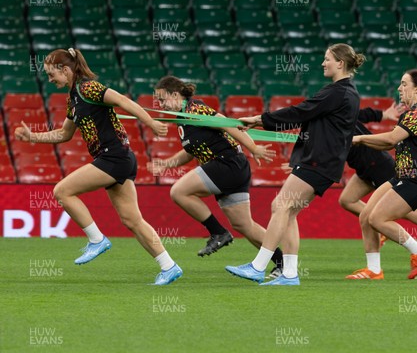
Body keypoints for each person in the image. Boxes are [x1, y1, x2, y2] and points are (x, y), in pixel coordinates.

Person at [14, 48, 183, 286]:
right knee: (133, 220)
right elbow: (64, 134)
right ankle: (169, 266)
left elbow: (123, 101)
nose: (50, 80)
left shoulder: (88, 88)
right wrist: (33, 136)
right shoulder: (73, 98)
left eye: (52, 74)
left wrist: (150, 122)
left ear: (66, 69)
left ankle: (97, 239)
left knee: (62, 191)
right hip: (118, 159)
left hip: (113, 157)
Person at [225, 43, 364, 286]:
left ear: (340, 63)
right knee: (287, 212)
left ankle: (258, 266)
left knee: (280, 205)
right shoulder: (347, 93)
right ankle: (289, 274)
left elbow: (300, 112)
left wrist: (259, 120)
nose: (323, 63)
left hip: (319, 162)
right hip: (323, 163)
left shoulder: (337, 92)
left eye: (327, 58)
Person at [147, 75, 284, 271]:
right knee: (244, 225)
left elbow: (226, 123)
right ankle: (283, 263)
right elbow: (189, 152)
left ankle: (218, 232)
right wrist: (166, 164)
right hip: (232, 167)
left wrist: (253, 148)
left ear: (175, 95)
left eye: (162, 99)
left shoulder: (194, 109)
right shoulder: (182, 118)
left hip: (226, 164)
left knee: (179, 191)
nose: (160, 104)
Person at [348, 69, 417, 280]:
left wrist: (359, 139)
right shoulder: (409, 113)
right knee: (366, 216)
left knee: (378, 218)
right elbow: (386, 144)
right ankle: (374, 270)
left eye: (404, 84)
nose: (399, 88)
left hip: (414, 179)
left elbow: (390, 140)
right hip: (400, 176)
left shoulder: (415, 115)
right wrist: (357, 139)